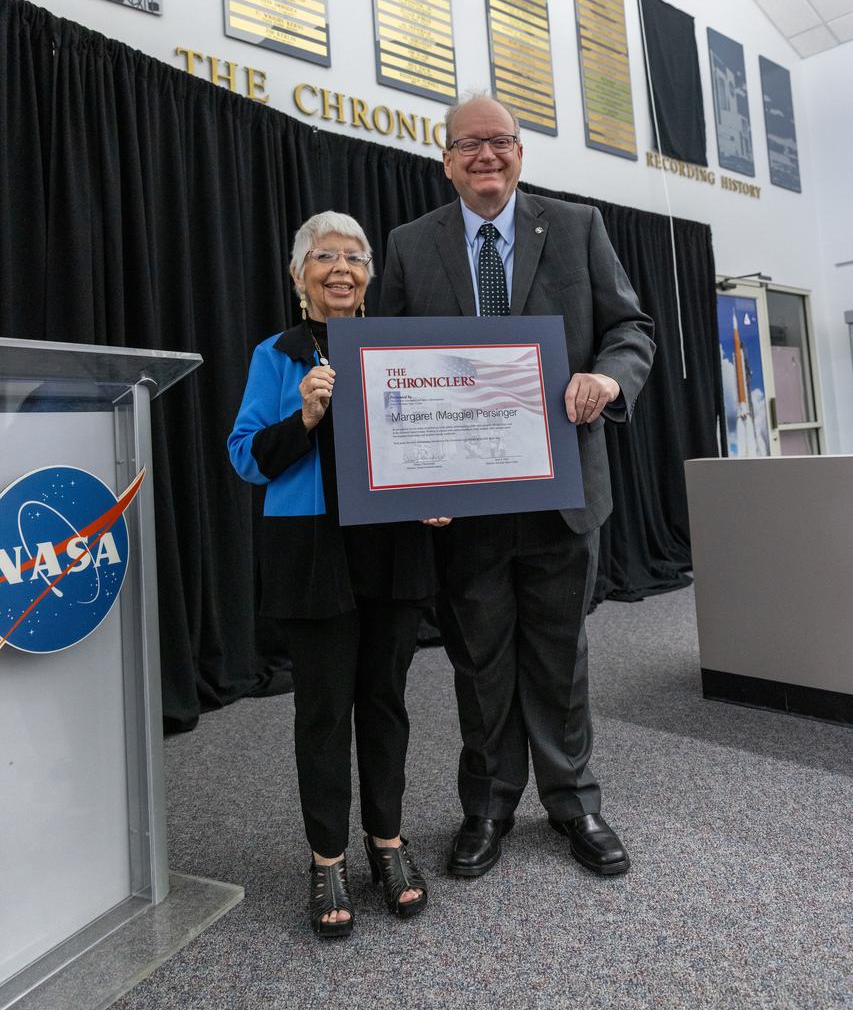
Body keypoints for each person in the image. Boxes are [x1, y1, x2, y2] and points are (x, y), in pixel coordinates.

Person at [380, 92, 655, 880]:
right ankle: (490, 806)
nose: (485, 157)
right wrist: (407, 479)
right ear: (445, 160)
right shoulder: (408, 245)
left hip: (562, 488)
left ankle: (573, 801)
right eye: (468, 145)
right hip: (463, 500)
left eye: (498, 142)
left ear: (520, 152)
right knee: (478, 657)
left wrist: (607, 378)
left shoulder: (575, 227)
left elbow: (629, 329)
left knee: (560, 654)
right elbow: (387, 370)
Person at [228, 212, 433, 938]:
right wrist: (305, 419)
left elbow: (426, 437)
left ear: (370, 276)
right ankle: (327, 861)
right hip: (311, 553)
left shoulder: (397, 349)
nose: (340, 268)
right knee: (322, 713)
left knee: (385, 701)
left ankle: (388, 846)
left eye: (353, 257)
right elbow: (246, 457)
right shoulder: (274, 355)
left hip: (390, 547)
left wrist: (440, 492)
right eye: (323, 257)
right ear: (297, 276)